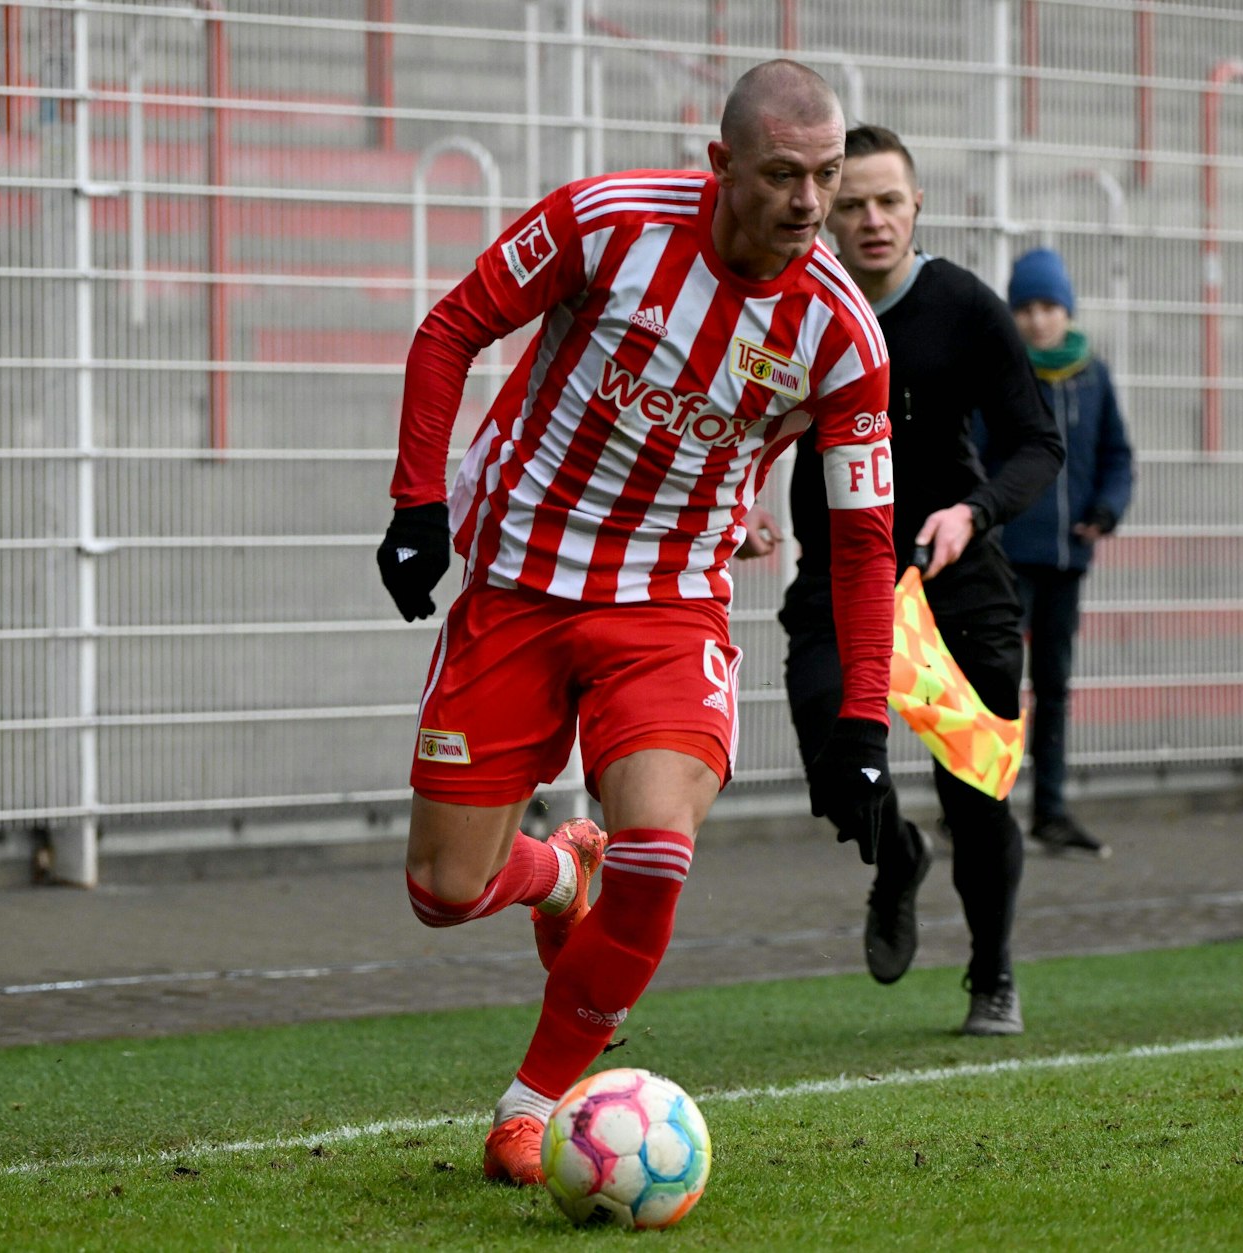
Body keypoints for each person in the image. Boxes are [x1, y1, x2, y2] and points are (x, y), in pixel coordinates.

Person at [376, 60, 899, 1188]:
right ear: (721, 166)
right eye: (783, 174)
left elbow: (863, 541)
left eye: (825, 175)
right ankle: (559, 873)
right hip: (518, 580)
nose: (810, 202)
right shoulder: (608, 224)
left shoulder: (841, 335)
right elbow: (450, 328)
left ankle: (532, 1107)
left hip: (667, 605)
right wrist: (417, 504)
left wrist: (864, 719)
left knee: (658, 848)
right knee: (442, 892)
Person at [744, 125, 1063, 1036]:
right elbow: (739, 421)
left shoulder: (964, 307)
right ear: (822, 211)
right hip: (838, 580)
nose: (871, 219)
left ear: (917, 205)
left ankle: (992, 973)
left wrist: (975, 512)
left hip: (956, 583)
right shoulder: (792, 302)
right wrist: (740, 505)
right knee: (835, 762)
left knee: (978, 795)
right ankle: (896, 857)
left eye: (889, 201)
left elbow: (1038, 442)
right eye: (851, 204)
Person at [996, 247, 1135, 858]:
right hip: (1005, 556)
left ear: (1067, 311)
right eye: (1024, 308)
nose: (1037, 320)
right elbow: (976, 454)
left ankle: (1049, 811)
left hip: (1067, 560)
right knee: (995, 686)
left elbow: (1116, 456)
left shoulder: (1093, 376)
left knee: (1052, 688)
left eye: (1048, 306)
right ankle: (980, 808)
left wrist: (1106, 510)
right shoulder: (1000, 376)